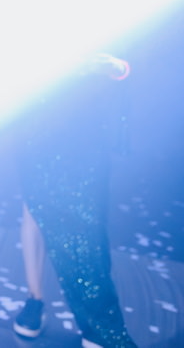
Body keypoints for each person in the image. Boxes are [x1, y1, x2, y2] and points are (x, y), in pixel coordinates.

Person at [12, 52, 137, 347]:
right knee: (33, 207)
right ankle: (35, 300)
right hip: (37, 116)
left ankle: (98, 326)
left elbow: (126, 66)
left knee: (86, 223)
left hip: (83, 123)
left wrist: (108, 65)